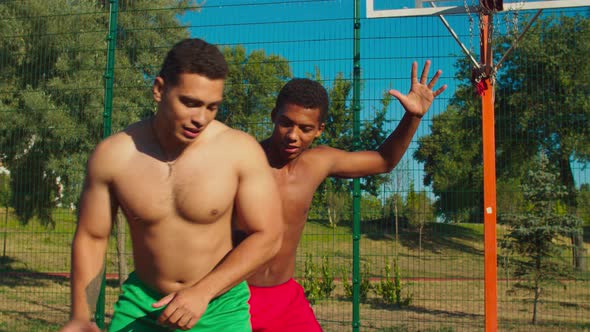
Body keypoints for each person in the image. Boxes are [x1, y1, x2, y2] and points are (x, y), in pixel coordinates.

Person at [60, 38, 283, 332]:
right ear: (159, 89)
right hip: (143, 307)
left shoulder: (239, 151)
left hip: (219, 309)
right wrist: (81, 316)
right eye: (189, 103)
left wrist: (203, 292)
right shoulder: (113, 155)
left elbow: (268, 236)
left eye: (211, 107)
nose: (200, 118)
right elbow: (92, 237)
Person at [243, 60, 447, 331]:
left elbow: (384, 160)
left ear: (319, 130)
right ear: (273, 116)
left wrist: (413, 116)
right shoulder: (243, 160)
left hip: (284, 297)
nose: (293, 135)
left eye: (305, 128)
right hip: (236, 295)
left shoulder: (319, 162)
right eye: (285, 123)